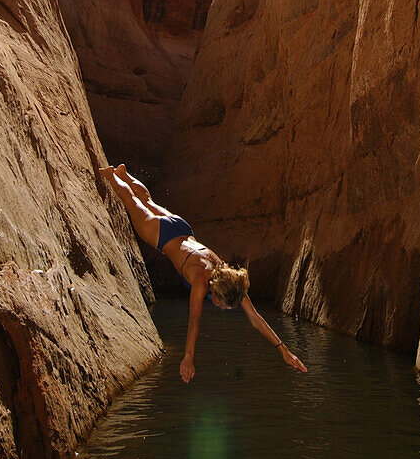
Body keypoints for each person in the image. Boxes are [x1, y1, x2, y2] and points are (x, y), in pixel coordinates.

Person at [99, 164, 308, 383]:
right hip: (162, 236)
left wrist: (283, 349)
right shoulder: (201, 282)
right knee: (132, 203)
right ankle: (111, 175)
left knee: (149, 202)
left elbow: (255, 319)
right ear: (216, 292)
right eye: (221, 304)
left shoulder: (230, 278)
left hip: (182, 228)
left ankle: (125, 174)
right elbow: (193, 323)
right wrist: (188, 358)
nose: (221, 308)